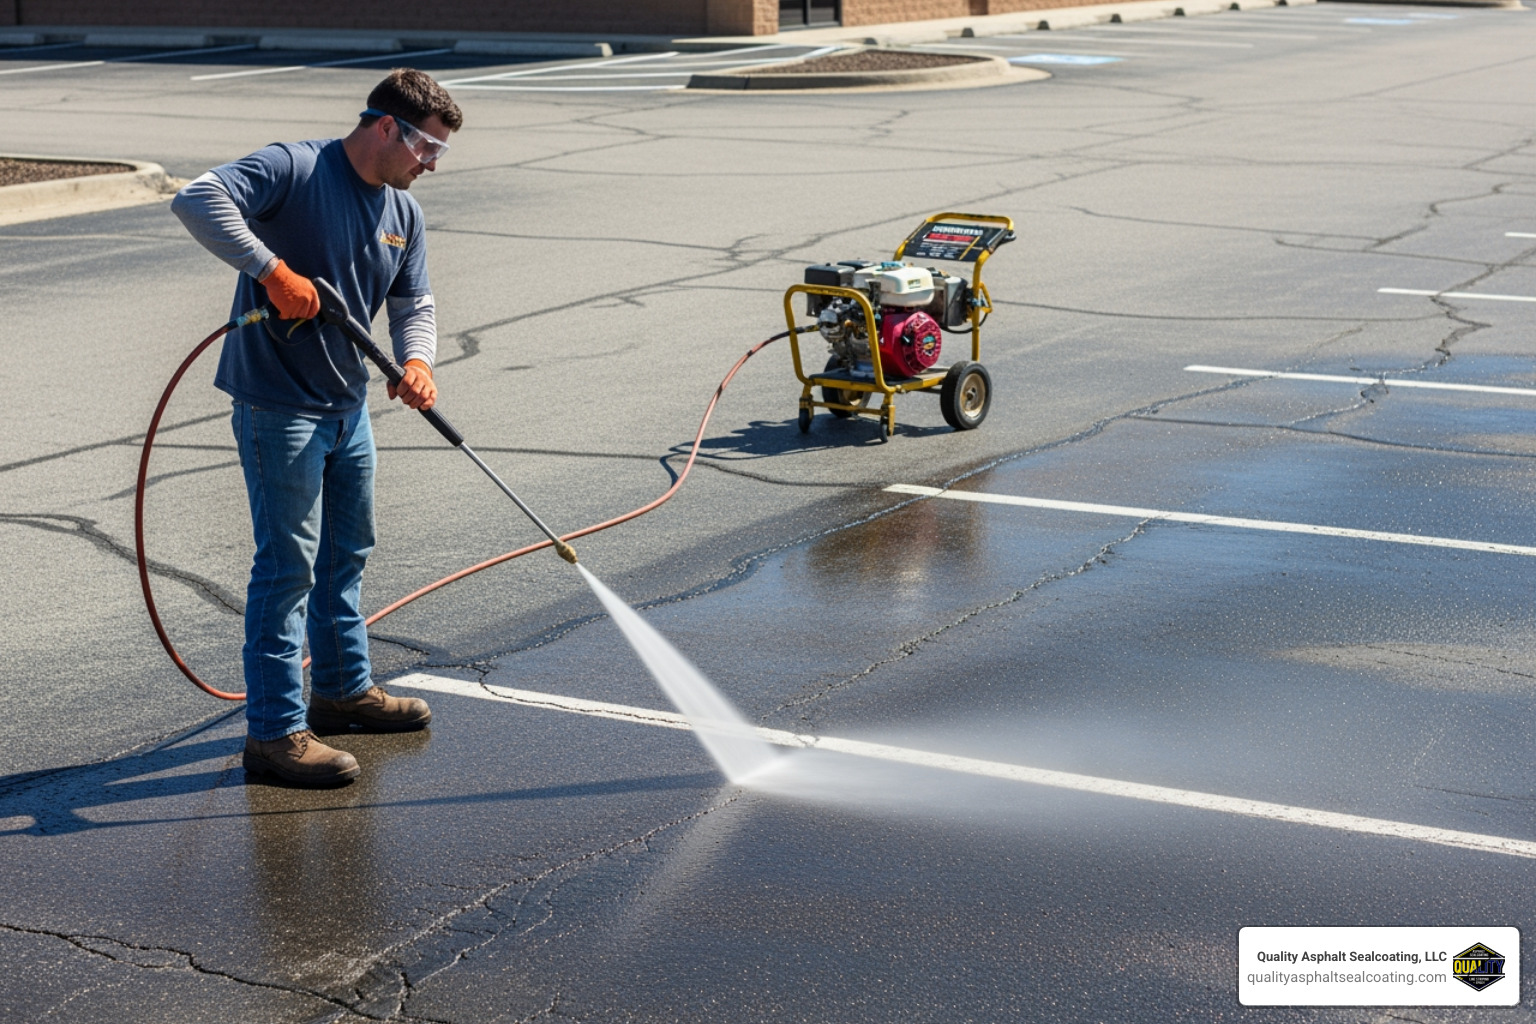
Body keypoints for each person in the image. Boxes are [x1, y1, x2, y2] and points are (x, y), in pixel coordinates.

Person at [171, 69, 463, 786]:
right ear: (387, 127)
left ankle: (341, 691)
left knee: (347, 553)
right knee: (287, 569)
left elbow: (413, 298)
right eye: (428, 148)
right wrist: (272, 271)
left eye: (441, 156)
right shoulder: (296, 169)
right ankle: (274, 735)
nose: (430, 165)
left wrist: (418, 360)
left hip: (346, 406)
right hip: (278, 406)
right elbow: (197, 198)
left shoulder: (402, 210)